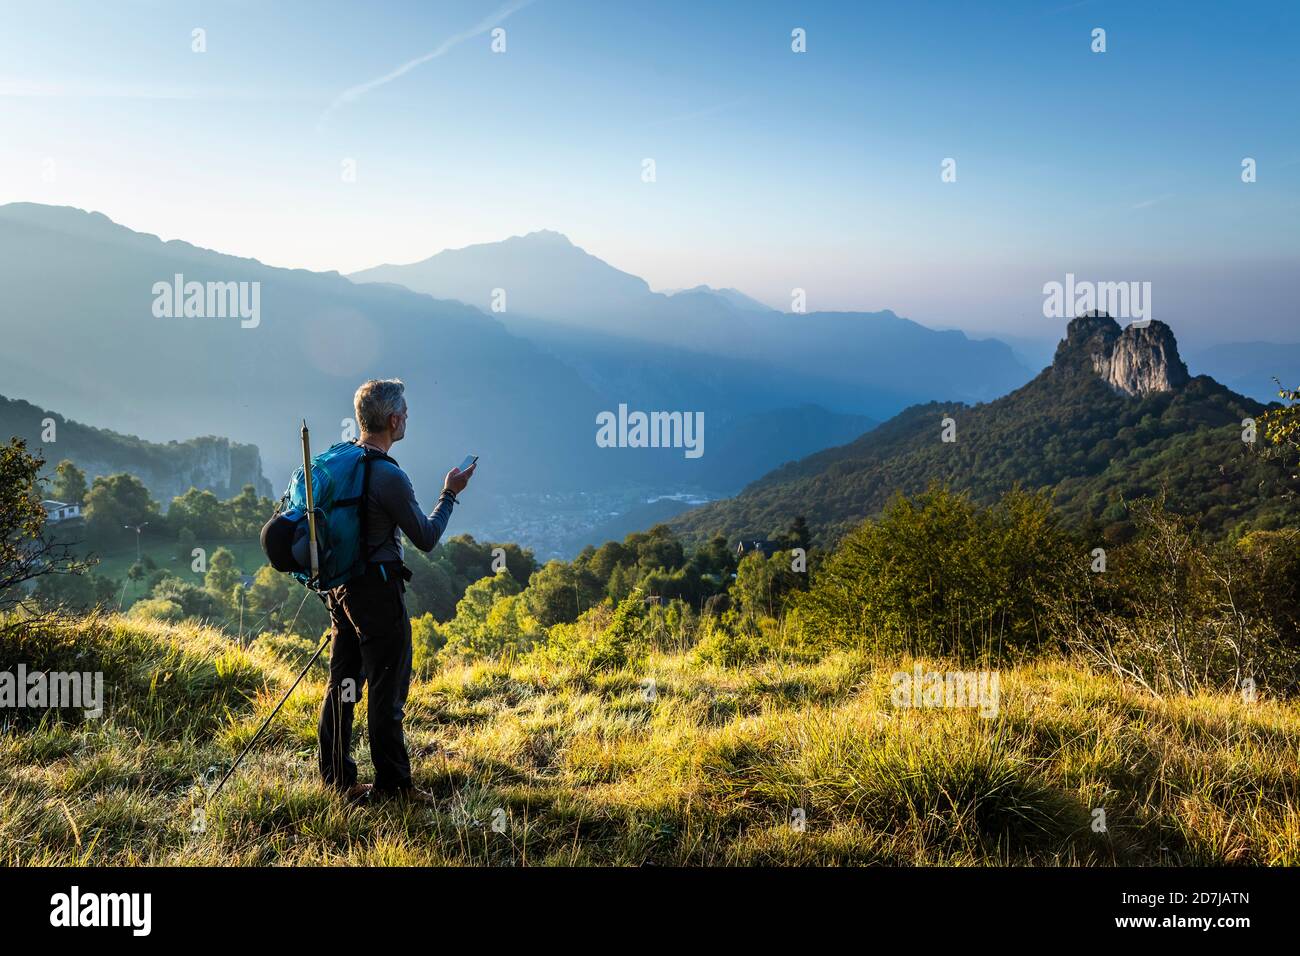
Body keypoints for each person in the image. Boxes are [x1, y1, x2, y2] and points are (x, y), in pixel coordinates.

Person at [317, 378, 474, 803]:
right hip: (377, 594)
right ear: (391, 419)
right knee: (387, 693)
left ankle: (336, 780)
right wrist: (449, 494)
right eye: (404, 412)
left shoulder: (340, 461)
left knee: (343, 685)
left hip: (340, 589)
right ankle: (394, 788)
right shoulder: (388, 475)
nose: (407, 418)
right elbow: (424, 536)